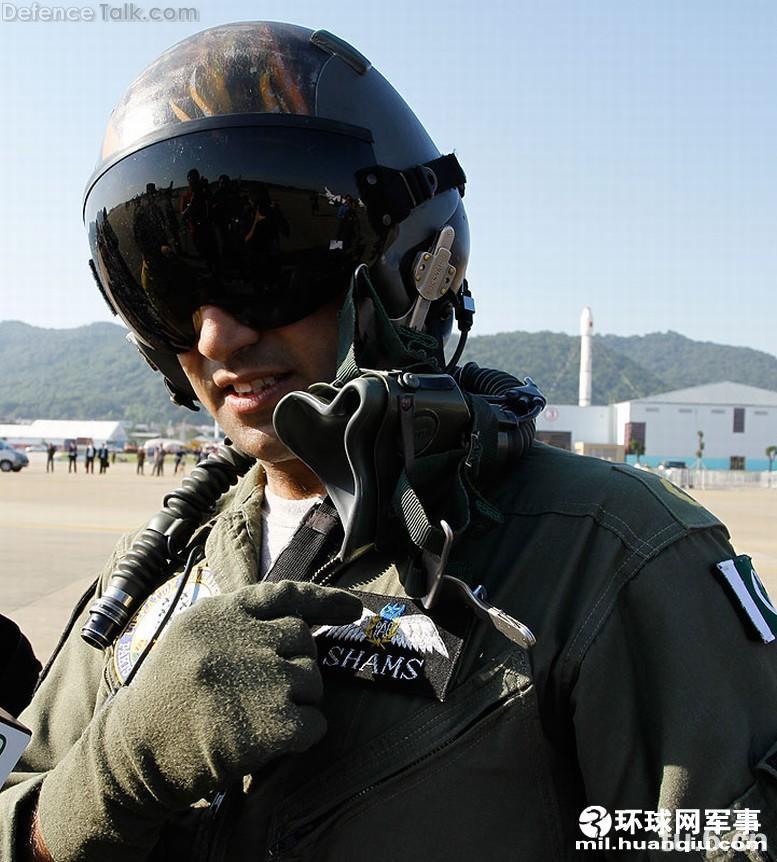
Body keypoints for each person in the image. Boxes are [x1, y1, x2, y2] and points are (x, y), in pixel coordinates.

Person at [3, 22, 777, 862]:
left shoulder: (608, 557)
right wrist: (109, 782)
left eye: (265, 263)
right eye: (170, 289)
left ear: (414, 266)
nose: (218, 337)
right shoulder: (158, 574)